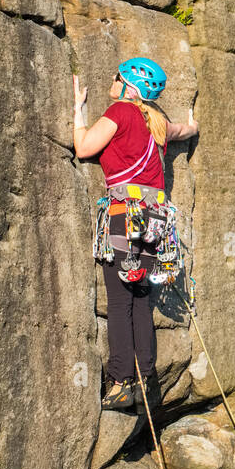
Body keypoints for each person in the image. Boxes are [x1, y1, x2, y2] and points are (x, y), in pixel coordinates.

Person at [72, 58, 199, 411]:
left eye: (117, 77)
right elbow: (181, 132)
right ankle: (145, 379)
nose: (113, 82)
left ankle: (120, 382)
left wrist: (77, 111)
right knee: (141, 297)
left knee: (119, 300)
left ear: (129, 87)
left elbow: (84, 148)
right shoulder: (156, 122)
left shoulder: (121, 112)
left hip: (123, 215)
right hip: (156, 219)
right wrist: (193, 126)